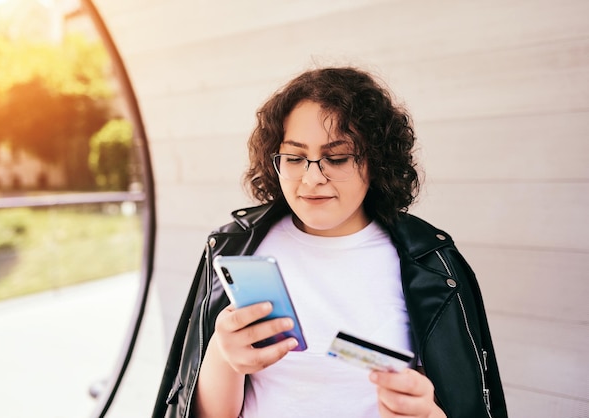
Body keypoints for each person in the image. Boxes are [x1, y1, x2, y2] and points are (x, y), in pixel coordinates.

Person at [152, 67, 507, 418]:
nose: (312, 178)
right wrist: (222, 355)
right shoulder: (235, 247)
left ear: (376, 161)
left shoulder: (430, 263)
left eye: (337, 158)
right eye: (294, 158)